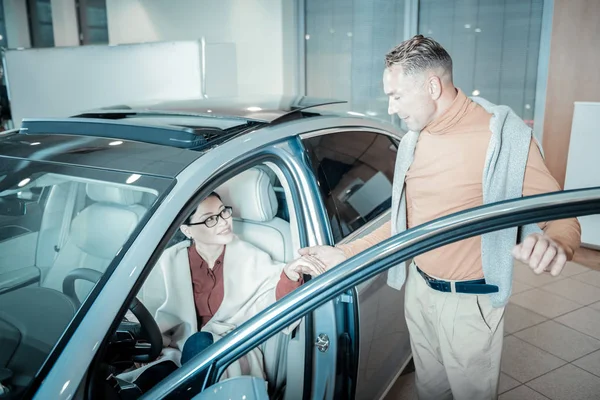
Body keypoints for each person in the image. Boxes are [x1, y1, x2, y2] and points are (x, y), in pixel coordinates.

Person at [299, 35, 581, 400]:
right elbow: (405, 223)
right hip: (419, 292)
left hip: (469, 306)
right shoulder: (416, 140)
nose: (390, 107)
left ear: (432, 86)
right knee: (428, 390)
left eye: (397, 95)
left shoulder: (503, 139)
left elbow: (563, 215)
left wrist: (557, 243)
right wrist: (347, 252)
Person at [120, 192, 324, 391]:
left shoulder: (251, 257)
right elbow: (142, 312)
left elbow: (273, 300)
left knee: (199, 344)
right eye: (210, 219)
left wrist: (289, 275)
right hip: (174, 352)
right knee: (141, 384)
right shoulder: (167, 261)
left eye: (223, 212)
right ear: (187, 230)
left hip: (228, 351)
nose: (224, 222)